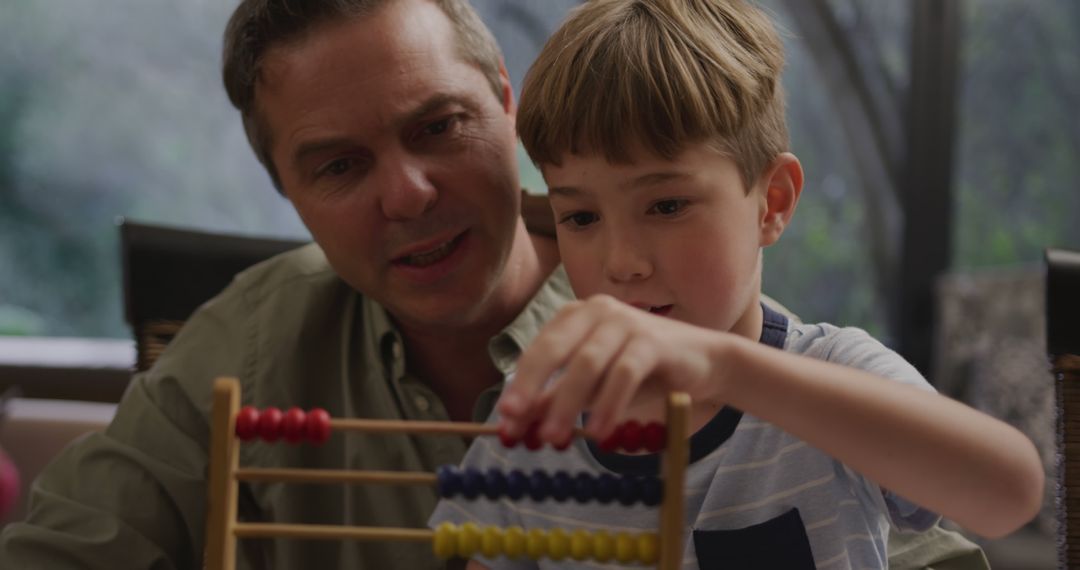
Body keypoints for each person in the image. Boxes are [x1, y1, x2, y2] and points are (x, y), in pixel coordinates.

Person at [0, 0, 997, 568]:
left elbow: (931, 529)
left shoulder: (697, 319)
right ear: (286, 193)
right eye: (339, 165)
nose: (407, 192)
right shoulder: (249, 339)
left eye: (438, 127)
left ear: (506, 108)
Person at [428, 0, 1043, 568]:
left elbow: (1010, 493)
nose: (622, 261)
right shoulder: (539, 413)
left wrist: (727, 369)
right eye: (581, 217)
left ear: (771, 202)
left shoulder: (832, 376)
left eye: (666, 206)